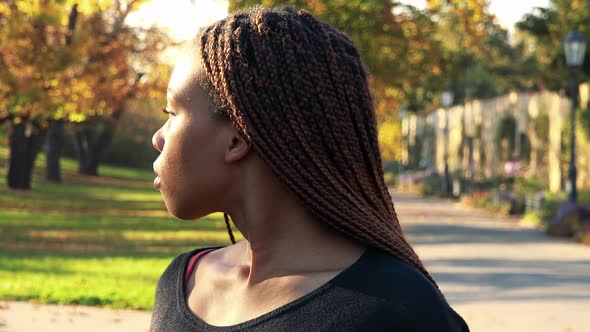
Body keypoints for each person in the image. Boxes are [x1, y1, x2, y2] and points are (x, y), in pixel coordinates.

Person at [150, 6, 469, 331]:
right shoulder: (183, 283)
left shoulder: (401, 310)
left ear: (237, 138)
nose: (158, 138)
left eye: (172, 113)